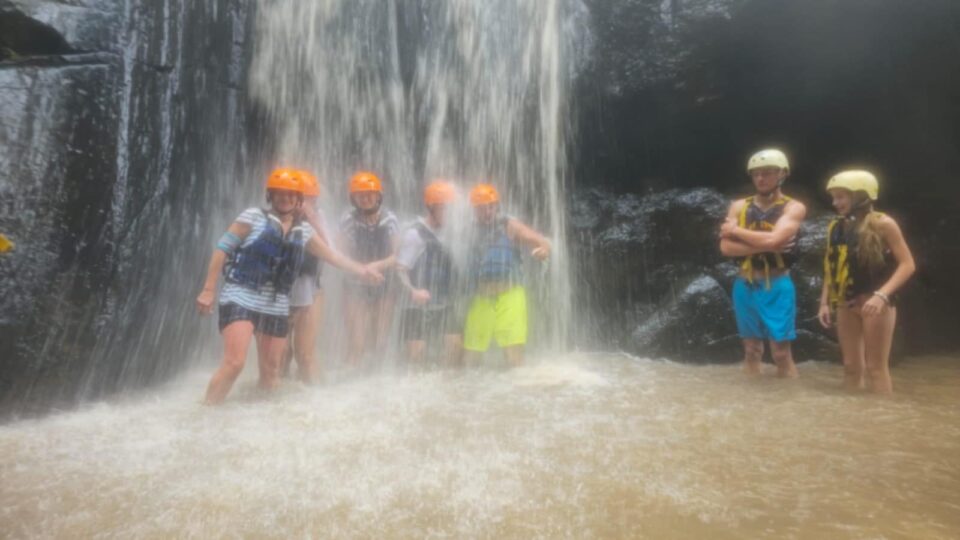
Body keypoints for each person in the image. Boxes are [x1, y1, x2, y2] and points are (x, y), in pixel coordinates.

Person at [196, 168, 382, 404]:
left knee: (272, 372)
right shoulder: (252, 217)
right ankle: (207, 413)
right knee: (235, 363)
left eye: (291, 195)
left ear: (299, 199)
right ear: (270, 196)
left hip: (275, 303)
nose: (285, 199)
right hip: (241, 295)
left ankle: (259, 423)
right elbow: (223, 247)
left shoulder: (303, 231)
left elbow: (333, 257)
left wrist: (363, 270)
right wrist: (209, 289)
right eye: (279, 194)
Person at [818, 170, 915, 394]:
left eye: (841, 196)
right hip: (846, 303)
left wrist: (882, 295)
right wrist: (825, 301)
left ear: (861, 195)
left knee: (875, 368)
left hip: (876, 304)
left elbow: (908, 264)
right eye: (834, 197)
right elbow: (832, 266)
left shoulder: (884, 224)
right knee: (851, 367)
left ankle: (882, 422)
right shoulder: (836, 227)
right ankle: (855, 420)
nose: (835, 203)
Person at [719, 149, 807, 377]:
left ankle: (789, 402)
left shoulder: (793, 207)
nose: (760, 179)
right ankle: (752, 403)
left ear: (782, 174)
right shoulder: (739, 206)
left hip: (777, 284)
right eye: (756, 174)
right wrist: (768, 244)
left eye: (767, 173)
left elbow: (777, 239)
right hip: (745, 283)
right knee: (751, 350)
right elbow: (726, 248)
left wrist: (736, 230)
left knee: (780, 353)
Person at [462, 183, 551, 367]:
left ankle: (517, 392)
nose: (487, 212)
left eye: (491, 207)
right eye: (481, 208)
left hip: (510, 294)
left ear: (497, 206)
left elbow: (543, 243)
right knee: (470, 357)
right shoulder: (467, 231)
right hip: (481, 297)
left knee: (513, 355)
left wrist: (543, 251)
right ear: (474, 210)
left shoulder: (510, 225)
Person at [396, 180, 462, 368]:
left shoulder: (453, 233)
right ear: (431, 207)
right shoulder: (415, 234)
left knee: (455, 350)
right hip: (416, 307)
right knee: (416, 359)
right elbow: (400, 270)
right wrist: (413, 291)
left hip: (444, 302)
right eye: (446, 208)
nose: (451, 213)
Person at [338, 171, 399, 369]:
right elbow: (341, 254)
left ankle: (377, 383)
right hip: (355, 284)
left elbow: (398, 255)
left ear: (378, 196)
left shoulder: (390, 219)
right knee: (357, 342)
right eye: (360, 195)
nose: (365, 198)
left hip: (384, 283)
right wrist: (363, 271)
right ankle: (349, 384)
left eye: (370, 194)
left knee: (380, 340)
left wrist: (376, 267)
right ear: (353, 198)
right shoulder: (348, 220)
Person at [282, 170, 326, 384]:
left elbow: (330, 249)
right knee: (282, 355)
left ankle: (314, 400)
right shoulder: (278, 216)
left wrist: (312, 220)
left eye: (311, 198)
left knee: (305, 354)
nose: (305, 203)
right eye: (303, 197)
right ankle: (276, 398)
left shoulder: (318, 217)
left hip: (311, 289)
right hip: (278, 292)